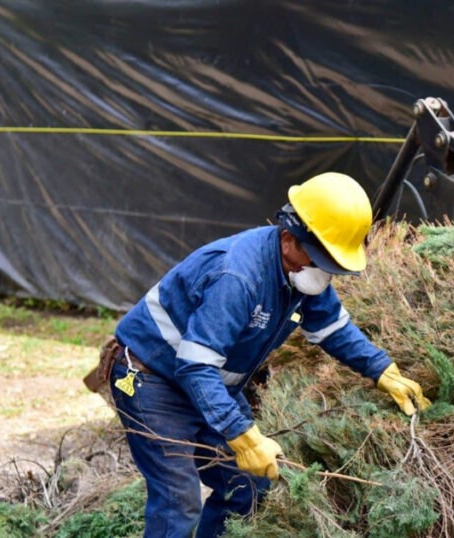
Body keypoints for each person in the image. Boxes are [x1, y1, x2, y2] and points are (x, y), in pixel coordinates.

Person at [101, 172, 431, 537]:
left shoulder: (300, 274)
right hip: (152, 380)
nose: (325, 275)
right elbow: (196, 366)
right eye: (321, 261)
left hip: (206, 383)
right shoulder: (238, 277)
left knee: (248, 485)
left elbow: (333, 329)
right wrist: (243, 436)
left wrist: (382, 371)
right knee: (179, 500)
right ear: (289, 238)